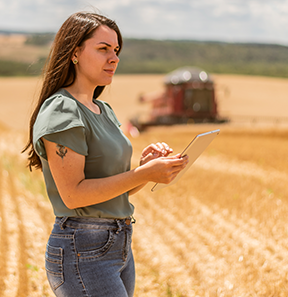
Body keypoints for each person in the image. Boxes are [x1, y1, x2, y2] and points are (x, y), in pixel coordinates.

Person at [22, 12, 188, 297]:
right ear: (75, 52)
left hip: (118, 244)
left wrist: (147, 168)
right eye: (103, 49)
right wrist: (145, 173)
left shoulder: (104, 110)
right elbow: (74, 195)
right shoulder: (63, 110)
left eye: (116, 50)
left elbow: (113, 190)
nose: (114, 58)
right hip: (83, 249)